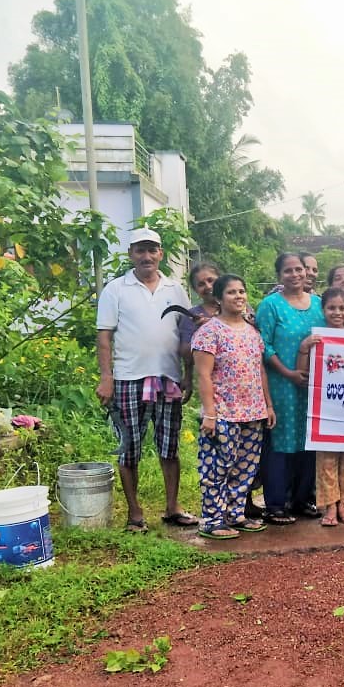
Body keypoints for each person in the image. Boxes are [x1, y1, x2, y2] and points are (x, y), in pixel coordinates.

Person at [95, 227, 197, 533]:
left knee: (170, 447)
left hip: (169, 378)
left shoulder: (175, 289)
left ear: (161, 254)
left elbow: (188, 335)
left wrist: (188, 376)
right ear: (130, 254)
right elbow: (104, 337)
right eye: (140, 250)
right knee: (130, 449)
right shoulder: (116, 289)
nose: (147, 256)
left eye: (152, 250)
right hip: (128, 380)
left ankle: (172, 508)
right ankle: (135, 513)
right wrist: (106, 377)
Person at [191, 274, 276, 539]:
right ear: (218, 298)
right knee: (217, 467)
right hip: (223, 413)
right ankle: (212, 519)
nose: (238, 297)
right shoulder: (209, 332)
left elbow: (259, 370)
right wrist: (209, 413)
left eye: (242, 291)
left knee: (246, 467)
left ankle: (235, 514)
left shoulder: (253, 333)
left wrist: (268, 406)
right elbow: (203, 375)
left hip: (253, 411)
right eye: (231, 292)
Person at [256, 252, 325, 524]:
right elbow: (263, 346)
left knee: (309, 440)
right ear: (279, 276)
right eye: (288, 271)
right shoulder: (270, 306)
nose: (296, 275)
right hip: (281, 384)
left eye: (299, 270)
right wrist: (288, 373)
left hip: (314, 386)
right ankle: (276, 503)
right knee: (281, 442)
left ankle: (302, 499)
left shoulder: (319, 304)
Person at [295, 288, 344, 527]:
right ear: (323, 310)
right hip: (325, 409)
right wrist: (304, 347)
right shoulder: (317, 338)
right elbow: (303, 373)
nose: (337, 312)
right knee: (326, 458)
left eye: (342, 308)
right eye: (332, 308)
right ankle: (329, 506)